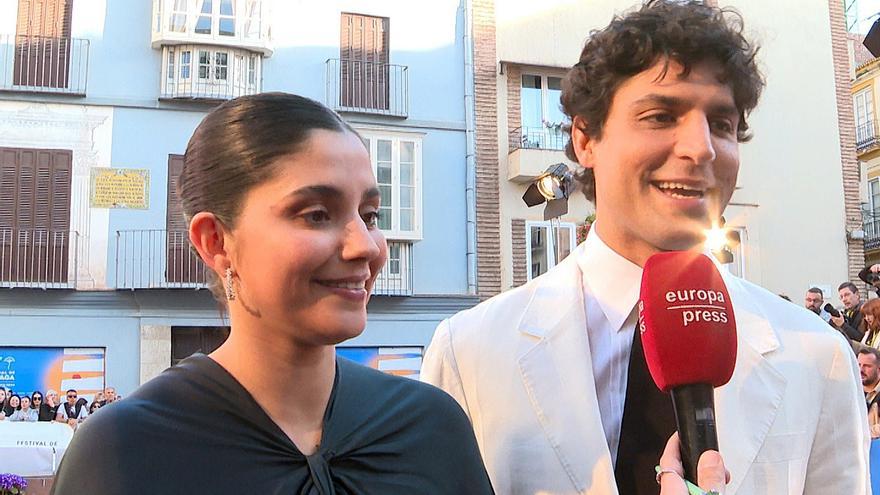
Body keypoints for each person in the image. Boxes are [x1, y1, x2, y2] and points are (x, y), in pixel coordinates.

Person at [421, 1, 870, 493]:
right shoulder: (470, 351)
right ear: (586, 139)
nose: (700, 148)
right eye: (660, 116)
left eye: (721, 124)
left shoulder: (817, 355)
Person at [51, 93, 494, 494]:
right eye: (317, 214)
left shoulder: (431, 427)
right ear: (217, 242)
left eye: (370, 215)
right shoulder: (123, 452)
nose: (365, 246)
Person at [858, 348, 880, 439]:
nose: (861, 370)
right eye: (859, 365)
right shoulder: (852, 389)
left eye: (867, 366)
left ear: (878, 369)